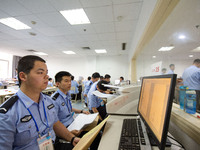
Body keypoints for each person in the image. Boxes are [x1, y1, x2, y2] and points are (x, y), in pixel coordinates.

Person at [0, 55, 79, 150]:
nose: (47, 76)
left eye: (46, 73)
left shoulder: (48, 101)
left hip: (52, 145)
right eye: (40, 72)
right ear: (23, 76)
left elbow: (55, 123)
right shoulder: (7, 114)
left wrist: (72, 138)